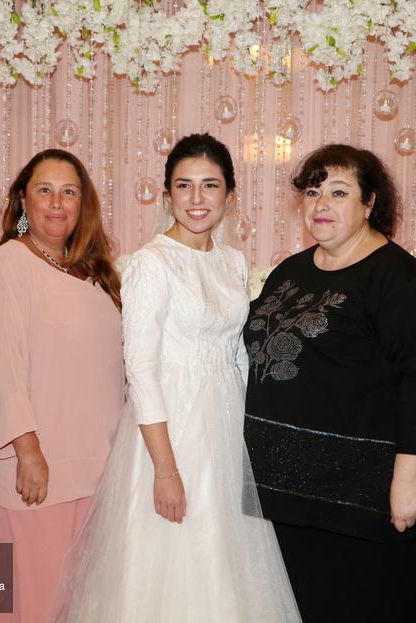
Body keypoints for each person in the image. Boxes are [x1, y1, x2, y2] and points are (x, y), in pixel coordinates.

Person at [52, 134, 300, 622]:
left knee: (227, 566)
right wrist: (165, 471)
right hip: (171, 433)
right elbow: (141, 369)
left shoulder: (231, 261)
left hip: (226, 426)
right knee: (172, 561)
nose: (196, 198)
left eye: (210, 185)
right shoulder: (150, 264)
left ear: (230, 195)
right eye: (184, 186)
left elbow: (237, 352)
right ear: (167, 195)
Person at [243, 144, 416, 622]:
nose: (321, 205)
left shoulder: (400, 279)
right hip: (287, 499)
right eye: (313, 193)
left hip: (363, 504)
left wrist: (409, 482)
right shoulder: (290, 271)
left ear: (369, 203)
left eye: (338, 192)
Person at [0, 149, 124, 622]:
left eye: (69, 192)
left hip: (92, 468)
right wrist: (28, 451)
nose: (57, 203)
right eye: (45, 190)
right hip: (36, 471)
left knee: (78, 607)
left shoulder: (92, 271)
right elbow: (2, 365)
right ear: (24, 200)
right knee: (26, 606)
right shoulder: (8, 263)